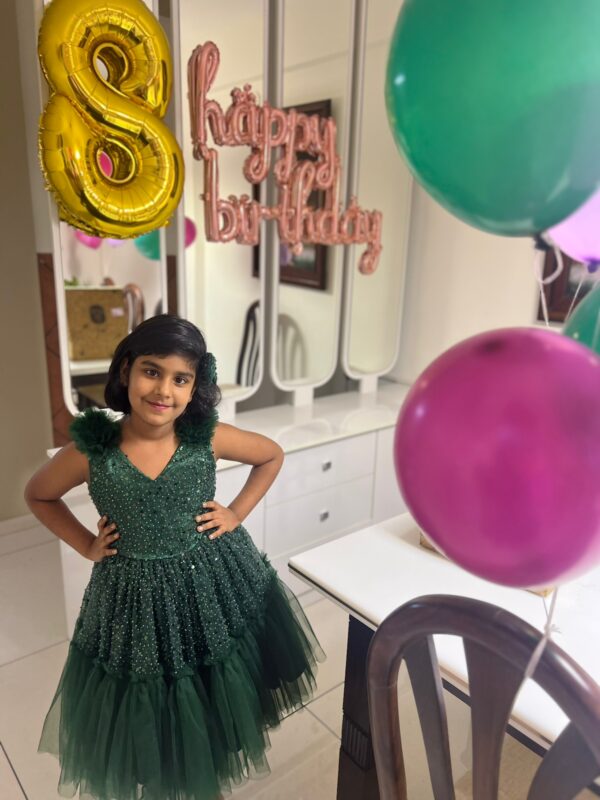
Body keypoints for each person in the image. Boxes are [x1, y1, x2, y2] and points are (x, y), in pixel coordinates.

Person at [25, 313, 325, 800]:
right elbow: (38, 495)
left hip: (209, 581)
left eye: (180, 379)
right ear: (126, 370)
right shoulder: (93, 451)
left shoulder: (206, 437)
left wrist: (235, 513)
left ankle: (209, 753)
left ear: (194, 386)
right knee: (151, 693)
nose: (163, 390)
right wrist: (85, 544)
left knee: (213, 682)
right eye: (152, 371)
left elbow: (271, 455)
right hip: (132, 600)